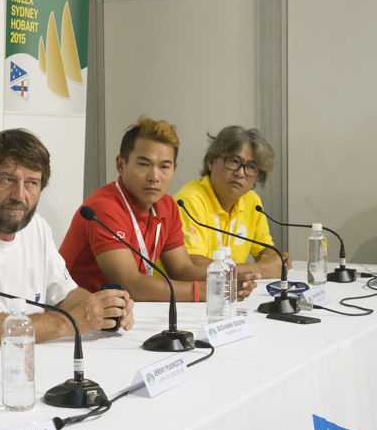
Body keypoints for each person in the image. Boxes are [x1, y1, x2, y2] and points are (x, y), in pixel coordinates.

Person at [0, 128, 135, 341]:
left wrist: (104, 308)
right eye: (8, 180)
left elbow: (66, 295)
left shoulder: (36, 226)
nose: (19, 195)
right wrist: (66, 323)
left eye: (31, 183)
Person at [59, 115, 259, 302]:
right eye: (144, 164)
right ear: (121, 165)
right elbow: (130, 284)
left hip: (124, 314)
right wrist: (206, 291)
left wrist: (228, 277)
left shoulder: (167, 206)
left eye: (164, 166)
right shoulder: (104, 208)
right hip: (78, 316)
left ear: (174, 169)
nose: (154, 176)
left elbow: (181, 269)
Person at [175, 125, 290, 277]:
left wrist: (276, 259)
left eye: (251, 167)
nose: (241, 173)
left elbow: (264, 250)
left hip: (226, 292)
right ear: (211, 162)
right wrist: (260, 269)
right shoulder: (190, 201)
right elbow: (192, 265)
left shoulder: (252, 202)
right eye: (234, 161)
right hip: (179, 297)